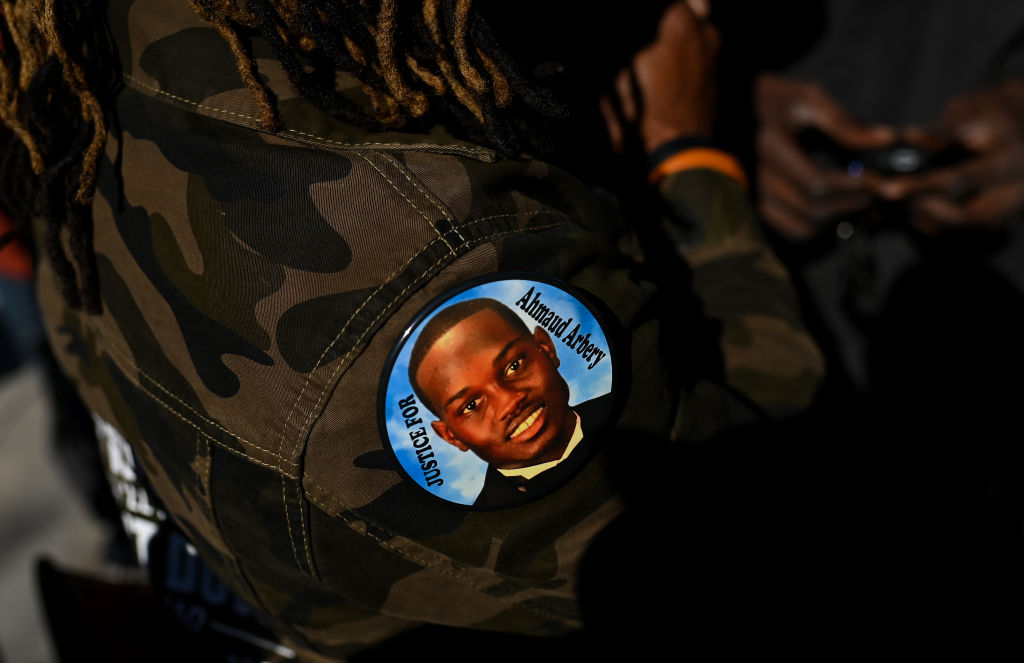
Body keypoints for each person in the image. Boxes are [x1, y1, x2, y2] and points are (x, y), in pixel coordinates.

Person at [2, 0, 823, 659]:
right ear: (442, 430)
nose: (505, 404)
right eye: (475, 398)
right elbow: (743, 516)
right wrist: (690, 159)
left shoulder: (108, 33)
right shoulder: (429, 284)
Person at [408, 297, 612, 507]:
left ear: (546, 348)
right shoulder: (478, 532)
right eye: (471, 406)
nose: (509, 402)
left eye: (514, 366)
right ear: (450, 436)